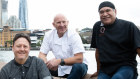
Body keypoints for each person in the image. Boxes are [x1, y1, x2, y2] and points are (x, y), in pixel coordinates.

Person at [90, 1, 140, 79]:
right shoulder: (97, 26)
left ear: (115, 11)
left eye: (108, 10)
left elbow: (139, 49)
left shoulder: (129, 26)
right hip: (106, 69)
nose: (105, 14)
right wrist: (98, 70)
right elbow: (98, 51)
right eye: (101, 12)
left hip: (126, 67)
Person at [38, 14, 88, 79]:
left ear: (68, 22)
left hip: (78, 66)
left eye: (64, 22)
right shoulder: (48, 35)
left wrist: (59, 61)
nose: (62, 25)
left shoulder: (74, 35)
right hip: (60, 68)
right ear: (53, 24)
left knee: (78, 67)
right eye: (58, 22)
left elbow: (79, 58)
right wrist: (48, 64)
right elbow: (41, 55)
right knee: (39, 67)